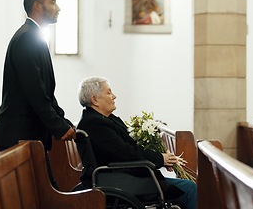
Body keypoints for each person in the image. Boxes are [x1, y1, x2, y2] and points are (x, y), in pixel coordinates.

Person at [0, 0, 76, 190]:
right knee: (37, 194)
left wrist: (63, 122)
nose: (58, 7)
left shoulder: (34, 36)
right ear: (38, 5)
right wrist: (58, 126)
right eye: (53, 2)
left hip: (29, 135)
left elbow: (47, 92)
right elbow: (35, 93)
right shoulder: (27, 38)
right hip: (19, 136)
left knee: (43, 192)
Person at [76, 76, 197, 209]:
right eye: (109, 92)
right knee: (190, 188)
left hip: (122, 176)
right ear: (95, 100)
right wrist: (160, 159)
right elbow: (125, 153)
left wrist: (162, 159)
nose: (114, 96)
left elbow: (129, 148)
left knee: (186, 186)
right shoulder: (95, 123)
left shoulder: (103, 119)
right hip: (119, 180)